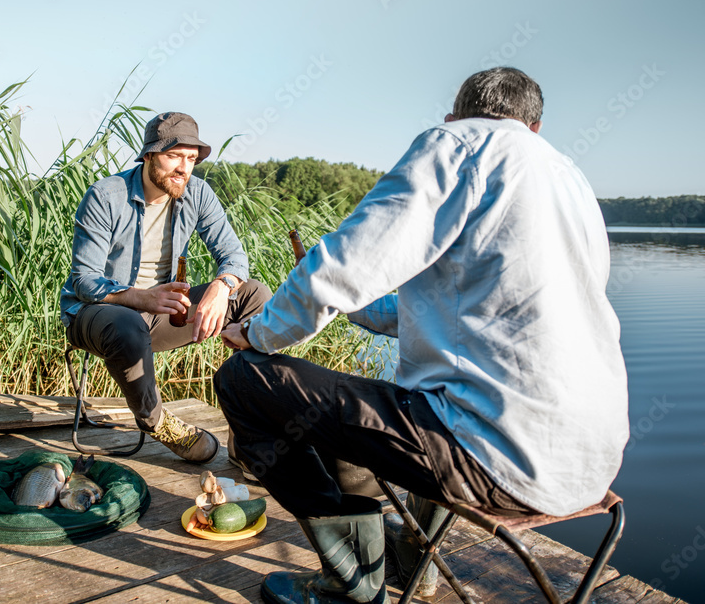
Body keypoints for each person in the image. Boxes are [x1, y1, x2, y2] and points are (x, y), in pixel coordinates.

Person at [216, 68, 628, 604]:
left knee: (245, 381)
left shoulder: (458, 146)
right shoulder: (570, 179)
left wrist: (258, 332)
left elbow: (341, 267)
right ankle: (414, 558)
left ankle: (350, 584)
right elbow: (431, 309)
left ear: (455, 116)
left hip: (496, 461)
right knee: (402, 397)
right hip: (591, 463)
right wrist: (342, 305)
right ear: (536, 126)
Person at [61, 112, 272, 464]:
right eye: (174, 155)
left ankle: (247, 437)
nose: (183, 168)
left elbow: (234, 255)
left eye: (191, 159)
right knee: (126, 323)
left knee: (254, 294)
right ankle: (155, 420)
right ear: (148, 155)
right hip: (95, 316)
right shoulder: (106, 195)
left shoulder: (198, 193)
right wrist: (144, 297)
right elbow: (84, 280)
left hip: (160, 317)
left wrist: (223, 285)